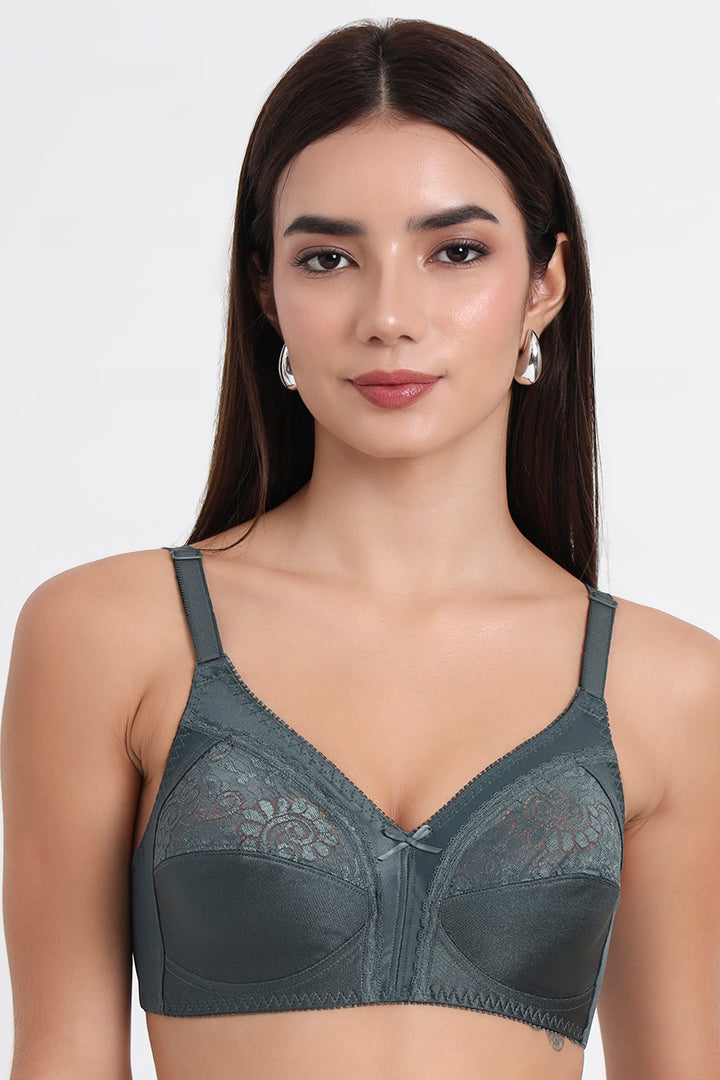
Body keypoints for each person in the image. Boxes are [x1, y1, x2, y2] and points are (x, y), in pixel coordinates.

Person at [2, 16, 719, 1080]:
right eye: (329, 258)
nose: (389, 315)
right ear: (266, 289)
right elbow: (61, 1055)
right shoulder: (109, 635)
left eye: (456, 252)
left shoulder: (667, 687)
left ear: (544, 283)